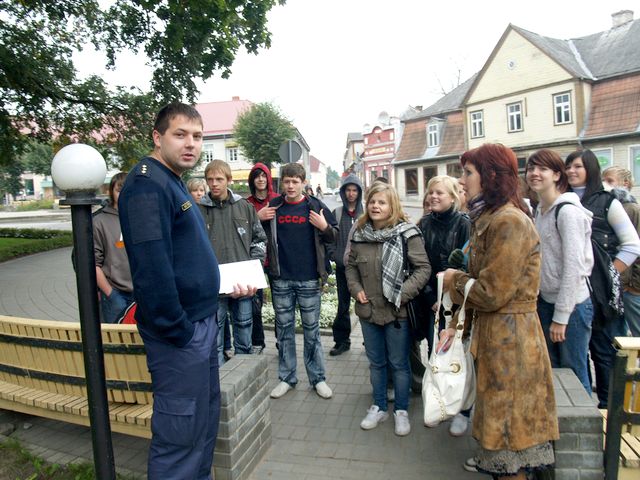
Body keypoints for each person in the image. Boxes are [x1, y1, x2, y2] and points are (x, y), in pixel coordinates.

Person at [118, 102, 254, 480]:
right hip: (181, 334)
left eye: (197, 136)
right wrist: (179, 330)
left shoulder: (171, 179)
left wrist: (218, 289)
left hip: (198, 324)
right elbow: (152, 271)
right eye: (180, 135)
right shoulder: (147, 185)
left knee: (201, 425)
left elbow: (183, 260)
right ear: (157, 137)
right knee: (180, 435)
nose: (191, 143)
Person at [441, 143, 559, 479]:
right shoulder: (489, 217)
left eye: (468, 173)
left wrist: (453, 280)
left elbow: (491, 292)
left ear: (490, 176)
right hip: (498, 340)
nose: (461, 180)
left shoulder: (508, 221)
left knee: (510, 444)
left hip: (512, 345)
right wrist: (456, 326)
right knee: (502, 439)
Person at [346, 182, 429, 436]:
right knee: (376, 363)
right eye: (372, 201)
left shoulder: (407, 233)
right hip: (368, 310)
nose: (375, 206)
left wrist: (402, 294)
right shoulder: (360, 233)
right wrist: (355, 287)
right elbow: (350, 266)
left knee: (399, 364)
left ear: (392, 205)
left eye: (382, 202)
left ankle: (401, 411)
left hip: (397, 313)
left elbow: (423, 269)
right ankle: (379, 406)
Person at [565, 149, 640, 407]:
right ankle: (585, 413)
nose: (571, 171)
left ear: (591, 169)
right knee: (576, 357)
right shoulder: (561, 200)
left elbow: (632, 245)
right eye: (568, 166)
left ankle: (610, 411)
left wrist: (610, 275)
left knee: (605, 353)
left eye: (578, 166)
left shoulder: (608, 202)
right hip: (573, 292)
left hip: (603, 295)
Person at [266, 162, 337, 400]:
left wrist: (325, 227)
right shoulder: (274, 207)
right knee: (284, 331)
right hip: (281, 279)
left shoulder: (315, 206)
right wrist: (258, 217)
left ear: (304, 183)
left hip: (309, 279)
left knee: (312, 332)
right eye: (286, 181)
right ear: (281, 183)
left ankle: (318, 379)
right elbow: (256, 234)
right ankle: (287, 378)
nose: (290, 186)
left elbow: (335, 237)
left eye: (295, 181)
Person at [526, 149, 594, 395]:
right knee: (554, 375)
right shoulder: (541, 210)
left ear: (556, 175)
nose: (534, 173)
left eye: (542, 169)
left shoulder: (567, 212)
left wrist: (561, 317)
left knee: (574, 376)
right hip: (547, 302)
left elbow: (573, 268)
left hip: (572, 307)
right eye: (531, 168)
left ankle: (585, 421)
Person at [417, 175, 470, 436]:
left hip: (458, 302)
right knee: (436, 353)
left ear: (453, 197)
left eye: (440, 193)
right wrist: (432, 298)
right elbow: (419, 263)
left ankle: (462, 410)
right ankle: (438, 404)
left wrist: (451, 298)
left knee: (459, 355)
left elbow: (466, 265)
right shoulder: (424, 223)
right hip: (432, 301)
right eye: (431, 192)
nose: (434, 196)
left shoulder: (464, 224)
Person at [199, 159, 267, 365]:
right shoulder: (197, 210)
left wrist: (253, 272)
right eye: (210, 179)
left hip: (243, 285)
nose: (214, 184)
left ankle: (244, 375)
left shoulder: (244, 207)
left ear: (229, 180)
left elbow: (259, 240)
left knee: (244, 336)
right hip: (213, 286)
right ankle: (219, 381)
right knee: (215, 341)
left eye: (219, 179)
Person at [328, 173, 364, 356]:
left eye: (354, 190)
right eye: (348, 190)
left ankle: (370, 342)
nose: (351, 194)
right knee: (342, 306)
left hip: (363, 270)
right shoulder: (337, 213)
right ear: (343, 192)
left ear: (359, 192)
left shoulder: (365, 214)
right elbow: (330, 238)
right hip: (343, 269)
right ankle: (342, 341)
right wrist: (334, 255)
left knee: (366, 305)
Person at [603, 166, 640, 337]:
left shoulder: (630, 209)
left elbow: (634, 249)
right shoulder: (609, 206)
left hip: (629, 287)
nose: (605, 184)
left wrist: (632, 286)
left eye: (610, 180)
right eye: (603, 180)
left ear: (625, 184)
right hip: (619, 284)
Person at [246, 162, 279, 354]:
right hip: (254, 261)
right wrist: (257, 217)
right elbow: (241, 230)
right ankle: (257, 342)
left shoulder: (277, 200)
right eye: (257, 176)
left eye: (263, 175)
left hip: (275, 259)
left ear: (268, 178)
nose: (260, 179)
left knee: (280, 304)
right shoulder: (246, 204)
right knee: (254, 304)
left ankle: (282, 341)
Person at [93, 172, 133, 324]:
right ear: (111, 191)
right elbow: (94, 263)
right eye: (119, 190)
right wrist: (110, 294)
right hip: (116, 294)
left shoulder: (142, 217)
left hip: (143, 292)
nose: (123, 195)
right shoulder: (99, 221)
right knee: (117, 335)